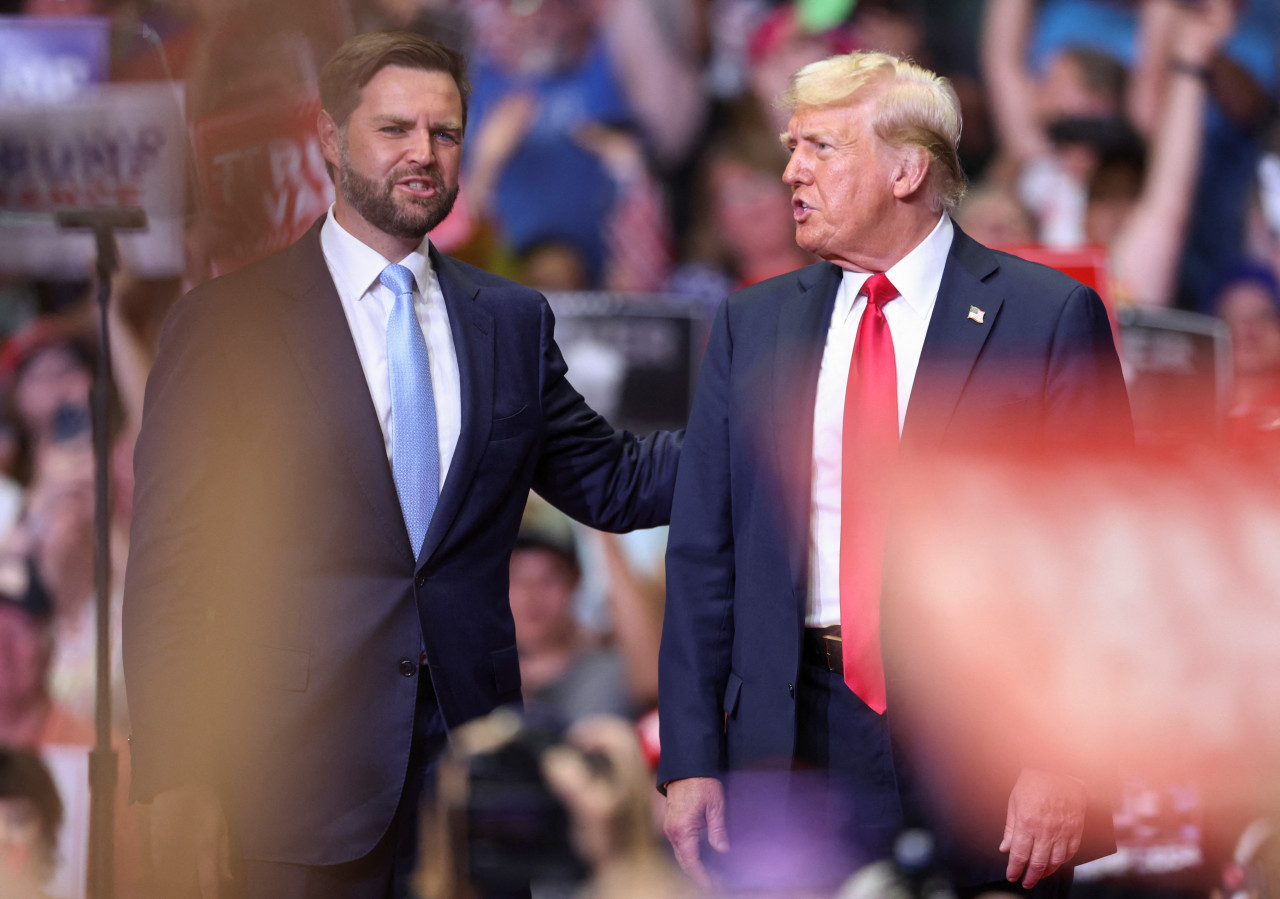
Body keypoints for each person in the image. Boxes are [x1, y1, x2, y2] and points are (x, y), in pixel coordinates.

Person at [122, 30, 679, 899]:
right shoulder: (227, 326)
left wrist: (773, 431)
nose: (424, 152)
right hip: (290, 787)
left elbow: (614, 481)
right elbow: (171, 568)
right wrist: (178, 774)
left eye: (446, 132)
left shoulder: (513, 320)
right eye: (395, 130)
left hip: (476, 787)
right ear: (330, 138)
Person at [656, 49, 1132, 896]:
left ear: (907, 169)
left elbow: (1101, 564)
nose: (789, 171)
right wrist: (691, 757)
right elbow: (705, 555)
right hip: (790, 733)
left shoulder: (1047, 317)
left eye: (820, 149)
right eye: (791, 146)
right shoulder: (751, 323)